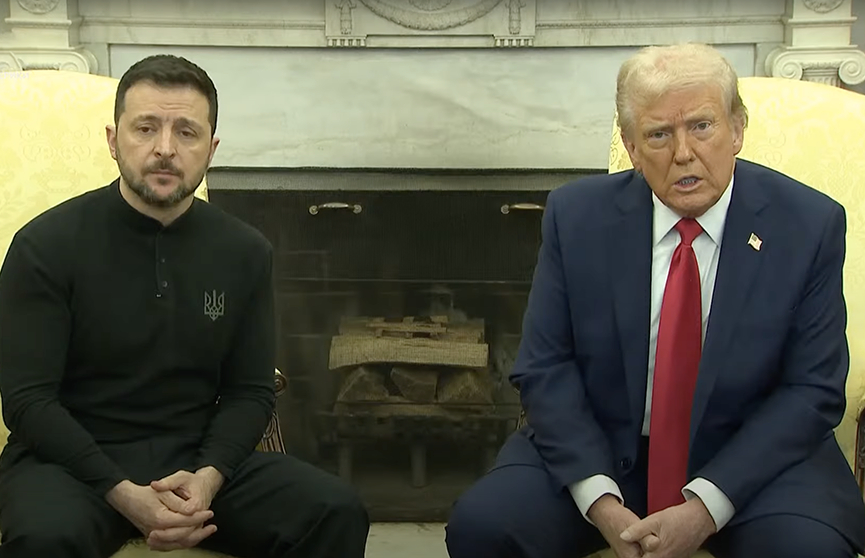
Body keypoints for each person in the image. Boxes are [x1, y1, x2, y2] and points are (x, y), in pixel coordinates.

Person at [445, 43, 865, 558]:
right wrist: (600, 503)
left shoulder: (808, 224)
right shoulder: (576, 218)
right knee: (483, 526)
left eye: (702, 126)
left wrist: (705, 508)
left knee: (808, 550)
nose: (683, 153)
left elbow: (812, 389)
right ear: (631, 146)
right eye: (659, 134)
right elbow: (544, 366)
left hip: (753, 460)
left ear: (737, 129)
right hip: (605, 448)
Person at [0, 54, 369, 558]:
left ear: (211, 149)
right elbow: (28, 402)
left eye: (187, 132)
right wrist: (122, 492)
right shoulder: (44, 245)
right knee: (45, 539)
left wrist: (208, 479)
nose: (165, 149)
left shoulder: (245, 252)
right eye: (146, 128)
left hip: (196, 459)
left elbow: (250, 390)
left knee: (334, 510)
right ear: (113, 140)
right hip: (69, 464)